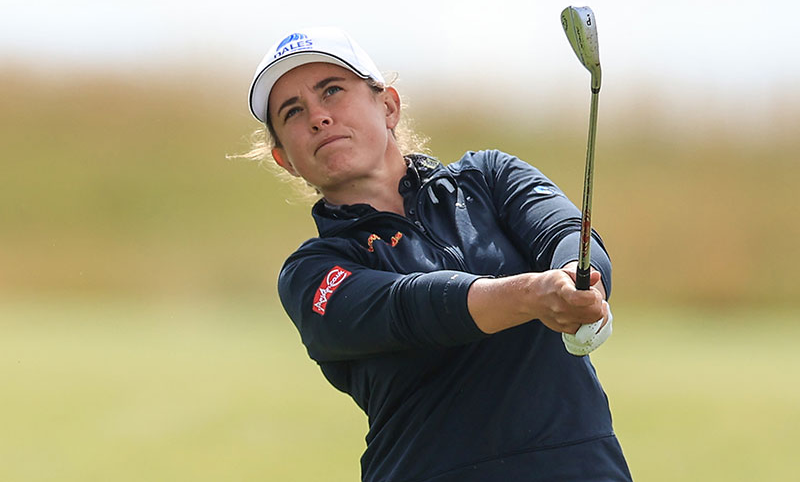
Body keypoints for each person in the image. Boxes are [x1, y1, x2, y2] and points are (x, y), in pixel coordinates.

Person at [244, 26, 632, 482]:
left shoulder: (489, 177)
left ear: (387, 105)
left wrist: (575, 278)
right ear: (284, 158)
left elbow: (568, 232)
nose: (317, 117)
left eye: (332, 91)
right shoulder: (310, 274)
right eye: (293, 112)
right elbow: (411, 308)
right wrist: (533, 293)